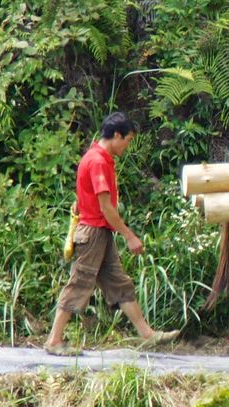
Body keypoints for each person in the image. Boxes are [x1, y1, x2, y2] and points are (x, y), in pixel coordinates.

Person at [44, 112, 179, 356]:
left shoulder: (95, 157)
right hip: (94, 233)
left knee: (118, 282)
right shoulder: (98, 161)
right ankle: (54, 340)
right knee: (79, 283)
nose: (127, 145)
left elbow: (83, 199)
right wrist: (129, 236)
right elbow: (106, 208)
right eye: (128, 140)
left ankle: (147, 335)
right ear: (117, 135)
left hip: (99, 232)